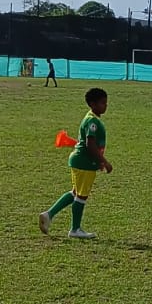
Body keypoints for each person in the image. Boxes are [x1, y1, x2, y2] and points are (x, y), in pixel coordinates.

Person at [39, 87, 111, 240]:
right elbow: (90, 145)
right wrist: (103, 161)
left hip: (80, 161)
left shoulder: (90, 118)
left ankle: (49, 214)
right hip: (84, 163)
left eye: (106, 102)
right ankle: (75, 229)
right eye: (102, 103)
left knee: (75, 192)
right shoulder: (92, 121)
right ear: (92, 104)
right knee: (81, 196)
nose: (105, 106)